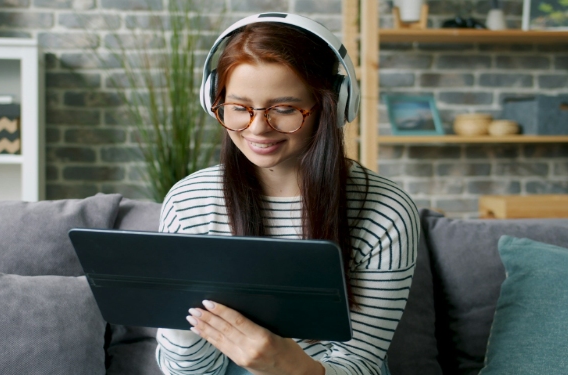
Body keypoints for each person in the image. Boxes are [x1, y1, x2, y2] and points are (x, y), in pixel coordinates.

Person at [155, 13, 420, 375]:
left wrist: (286, 365)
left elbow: (361, 364)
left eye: (284, 109)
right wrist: (179, 323)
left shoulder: (385, 210)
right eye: (238, 108)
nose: (258, 128)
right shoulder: (189, 202)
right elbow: (189, 371)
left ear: (331, 105)